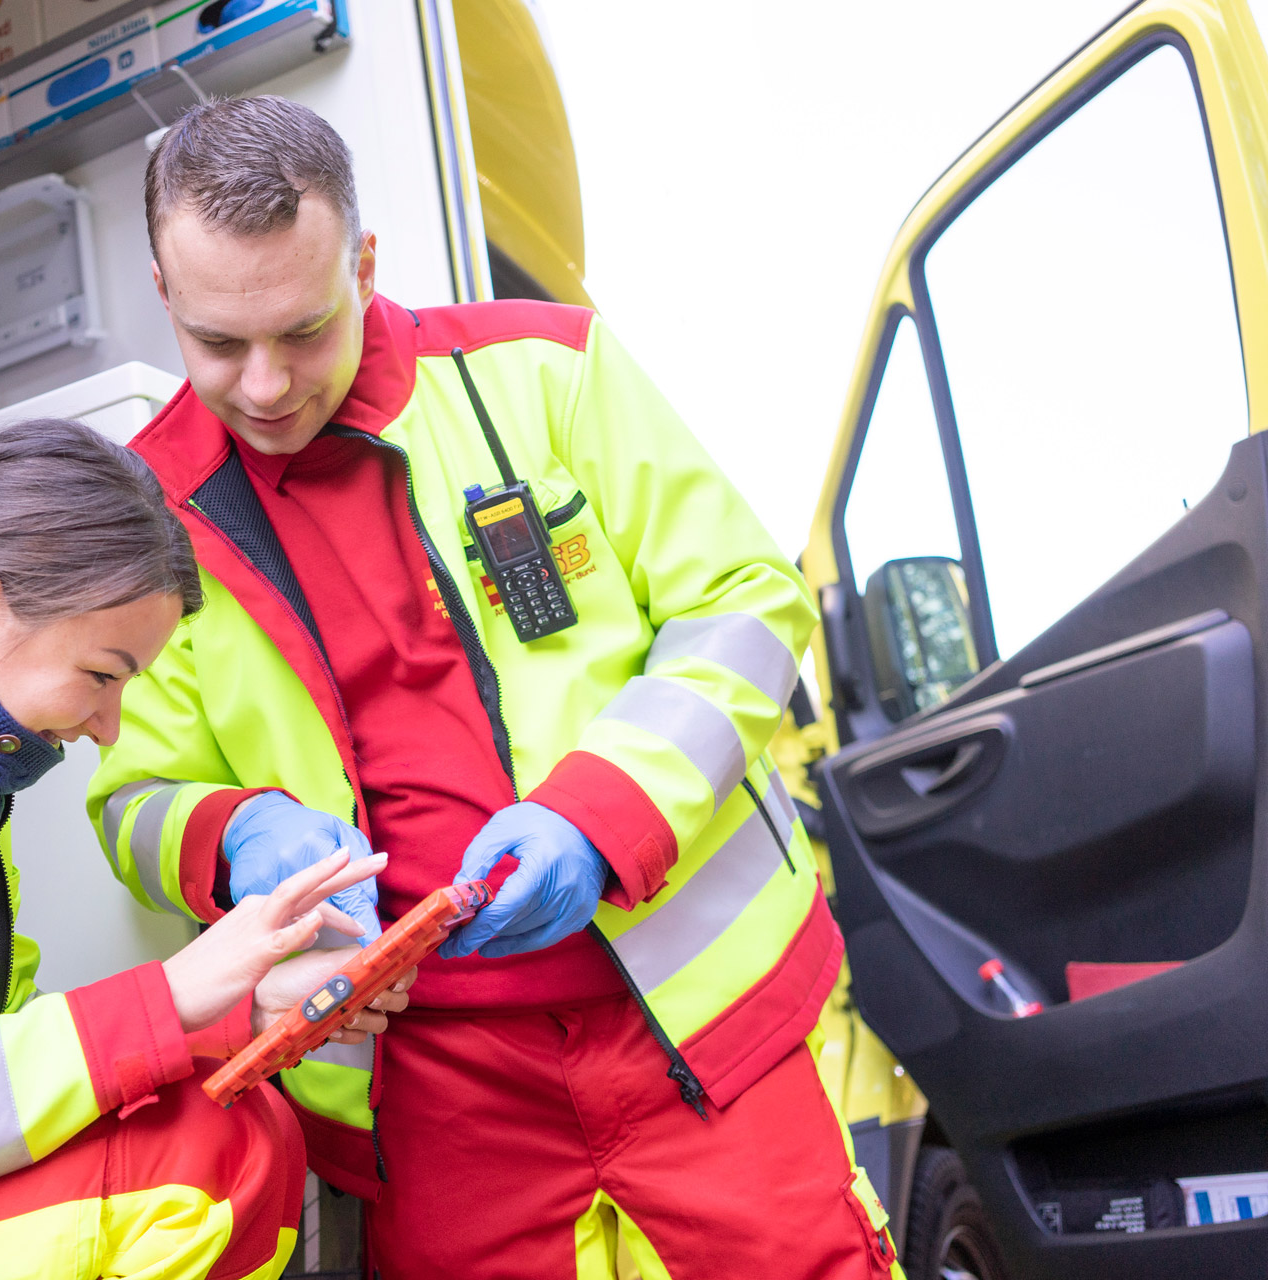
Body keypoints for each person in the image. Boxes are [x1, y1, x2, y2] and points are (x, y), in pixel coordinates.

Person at [89, 98, 901, 1278]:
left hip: (699, 1026)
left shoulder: (548, 368)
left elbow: (745, 600)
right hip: (426, 1091)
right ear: (164, 290)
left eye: (305, 332)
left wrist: (597, 813)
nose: (263, 386)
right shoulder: (148, 507)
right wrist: (238, 834)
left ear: (365, 266)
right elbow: (133, 797)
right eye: (219, 344)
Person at [0, 419, 412, 1280]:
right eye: (102, 676)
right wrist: (169, 999)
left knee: (223, 1119)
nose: (107, 731)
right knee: (204, 1166)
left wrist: (240, 1014)